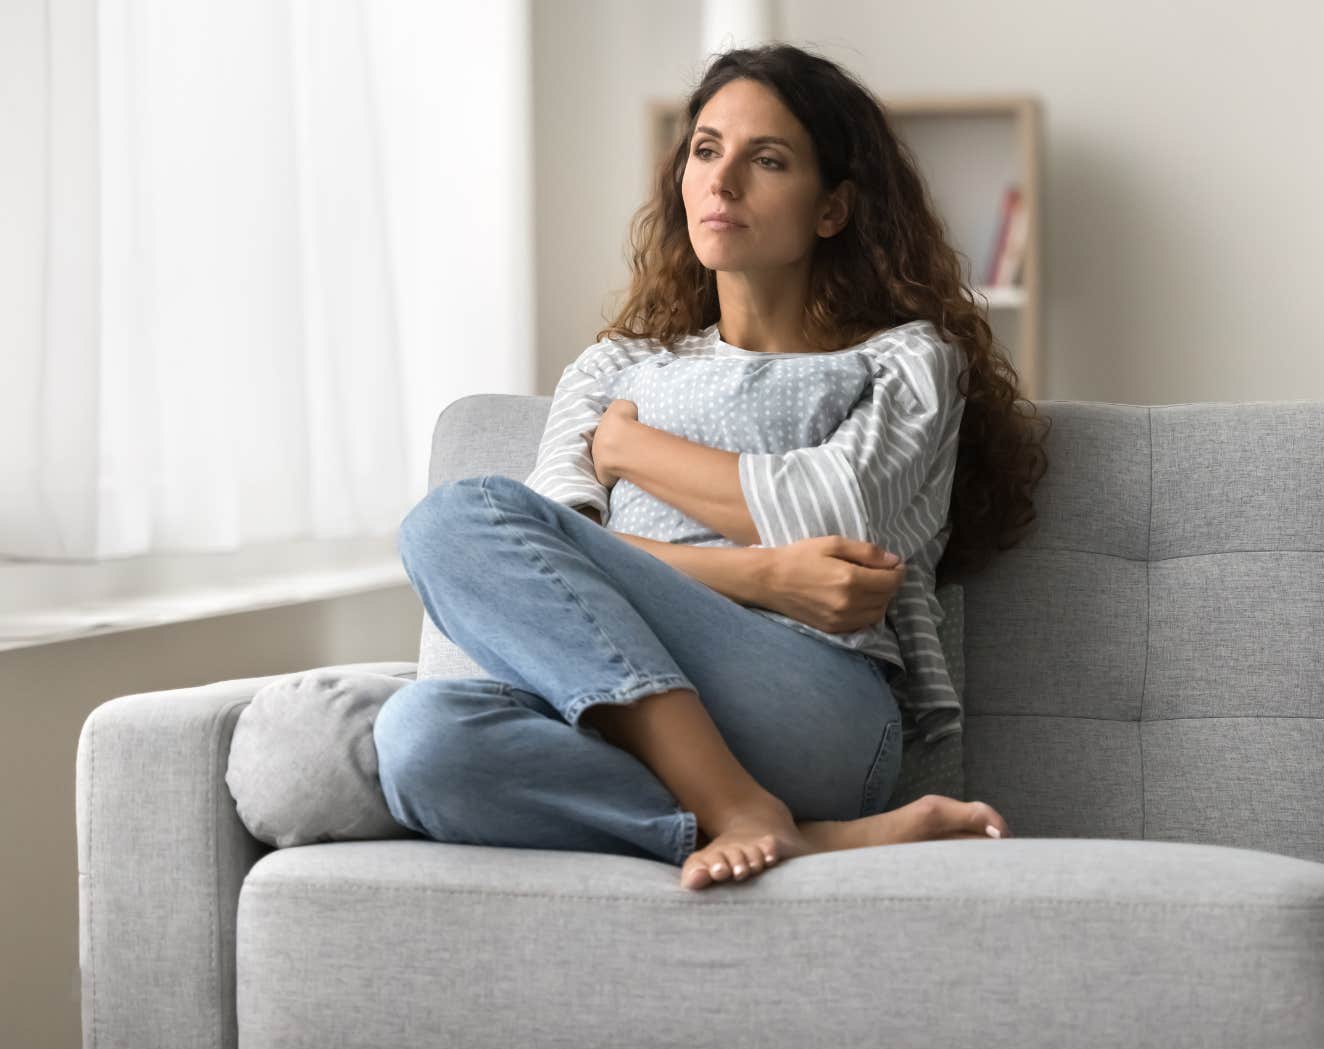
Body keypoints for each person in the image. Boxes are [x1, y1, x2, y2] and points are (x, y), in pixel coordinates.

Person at [373, 44, 1050, 892]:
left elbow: (830, 514)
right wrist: (763, 573)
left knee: (456, 517)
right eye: (705, 149)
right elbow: (548, 556)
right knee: (420, 739)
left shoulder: (908, 361)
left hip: (809, 704)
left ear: (833, 208)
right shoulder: (612, 367)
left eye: (766, 160)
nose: (722, 181)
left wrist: (630, 451)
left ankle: (748, 806)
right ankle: (788, 829)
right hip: (620, 720)